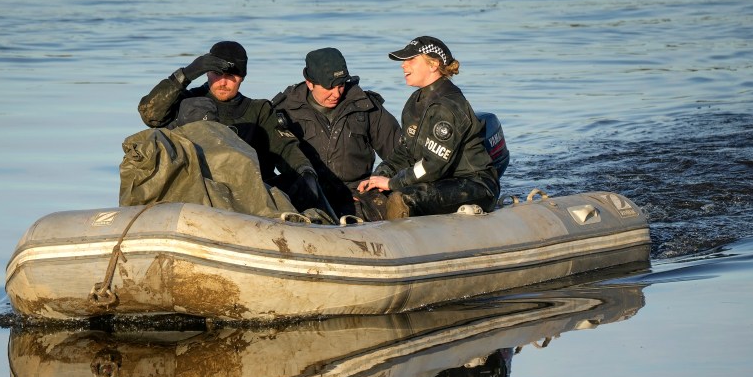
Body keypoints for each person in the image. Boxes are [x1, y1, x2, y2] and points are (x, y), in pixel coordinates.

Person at [137, 40, 337, 222]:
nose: (223, 82)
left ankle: (332, 230)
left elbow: (284, 148)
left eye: (231, 76)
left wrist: (305, 170)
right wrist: (186, 74)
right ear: (207, 73)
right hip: (199, 193)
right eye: (217, 74)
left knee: (300, 181)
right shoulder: (185, 103)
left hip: (249, 197)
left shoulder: (258, 111)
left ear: (242, 77)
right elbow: (150, 114)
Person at [356, 36, 501, 221]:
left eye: (411, 60)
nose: (403, 65)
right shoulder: (414, 103)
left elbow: (432, 166)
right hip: (440, 180)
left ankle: (401, 243)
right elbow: (404, 153)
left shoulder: (448, 106)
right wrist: (378, 177)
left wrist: (393, 183)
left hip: (474, 184)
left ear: (433, 65)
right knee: (372, 193)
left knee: (403, 198)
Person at [271, 47, 401, 218]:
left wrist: (376, 182)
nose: (336, 94)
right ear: (310, 83)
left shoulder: (366, 106)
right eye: (328, 87)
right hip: (305, 191)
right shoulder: (285, 109)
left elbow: (400, 154)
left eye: (340, 85)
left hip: (357, 195)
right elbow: (265, 161)